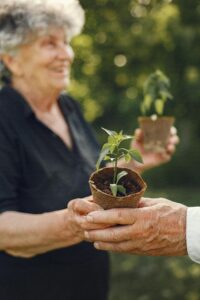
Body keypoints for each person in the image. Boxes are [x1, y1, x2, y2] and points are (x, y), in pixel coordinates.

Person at [0, 0, 179, 299]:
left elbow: (88, 180)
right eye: (49, 43)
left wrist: (134, 161)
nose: (66, 54)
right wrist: (75, 223)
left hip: (89, 285)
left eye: (66, 42)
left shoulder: (68, 107)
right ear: (12, 60)